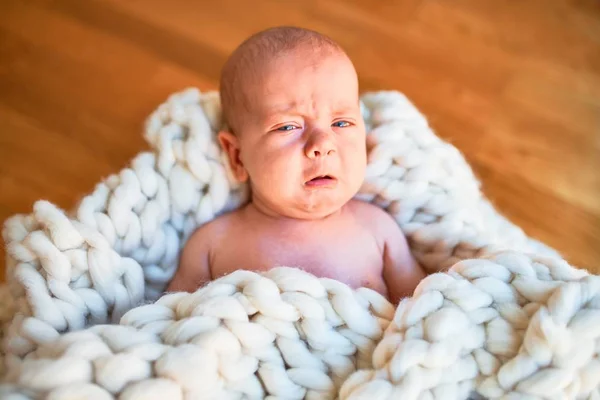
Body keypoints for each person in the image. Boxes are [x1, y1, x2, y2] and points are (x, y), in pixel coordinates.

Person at [167, 26, 426, 305]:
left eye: (341, 123)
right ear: (237, 156)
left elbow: (422, 311)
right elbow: (167, 325)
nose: (322, 143)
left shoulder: (378, 229)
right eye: (288, 126)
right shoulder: (212, 245)